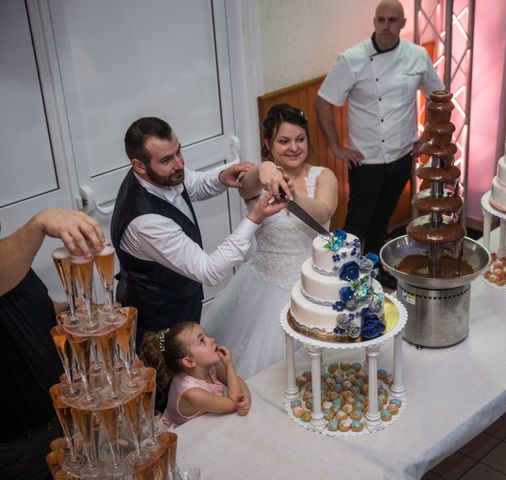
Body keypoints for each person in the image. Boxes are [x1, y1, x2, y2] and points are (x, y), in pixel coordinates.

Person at [111, 117, 287, 343]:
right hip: (159, 323)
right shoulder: (145, 222)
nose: (179, 164)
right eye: (167, 159)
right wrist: (255, 217)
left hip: (182, 305)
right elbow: (209, 271)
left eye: (178, 152)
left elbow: (192, 183)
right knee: (171, 378)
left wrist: (222, 177)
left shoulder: (161, 176)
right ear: (139, 166)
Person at [203, 103, 338, 378]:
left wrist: (294, 198)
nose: (294, 147)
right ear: (268, 142)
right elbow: (246, 184)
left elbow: (323, 211)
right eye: (283, 141)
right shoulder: (259, 178)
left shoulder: (324, 176)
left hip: (314, 284)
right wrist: (264, 167)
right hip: (264, 287)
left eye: (300, 139)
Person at [315, 0, 444, 288]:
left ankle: (372, 269)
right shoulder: (352, 59)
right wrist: (336, 147)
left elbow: (439, 96)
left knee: (383, 217)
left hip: (402, 156)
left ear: (403, 24)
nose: (387, 26)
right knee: (356, 222)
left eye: (393, 21)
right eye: (382, 20)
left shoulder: (417, 56)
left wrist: (427, 138)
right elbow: (323, 101)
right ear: (374, 22)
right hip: (365, 159)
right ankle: (341, 279)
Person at [0, 208, 104, 480]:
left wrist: (69, 313)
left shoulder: (12, 259)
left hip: (65, 417)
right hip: (21, 448)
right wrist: (39, 222)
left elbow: (33, 309)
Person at [139, 322, 251, 427]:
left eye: (206, 335)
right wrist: (229, 364)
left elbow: (238, 381)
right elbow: (232, 404)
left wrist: (245, 400)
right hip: (186, 435)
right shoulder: (192, 393)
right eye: (202, 340)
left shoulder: (210, 368)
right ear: (189, 361)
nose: (212, 340)